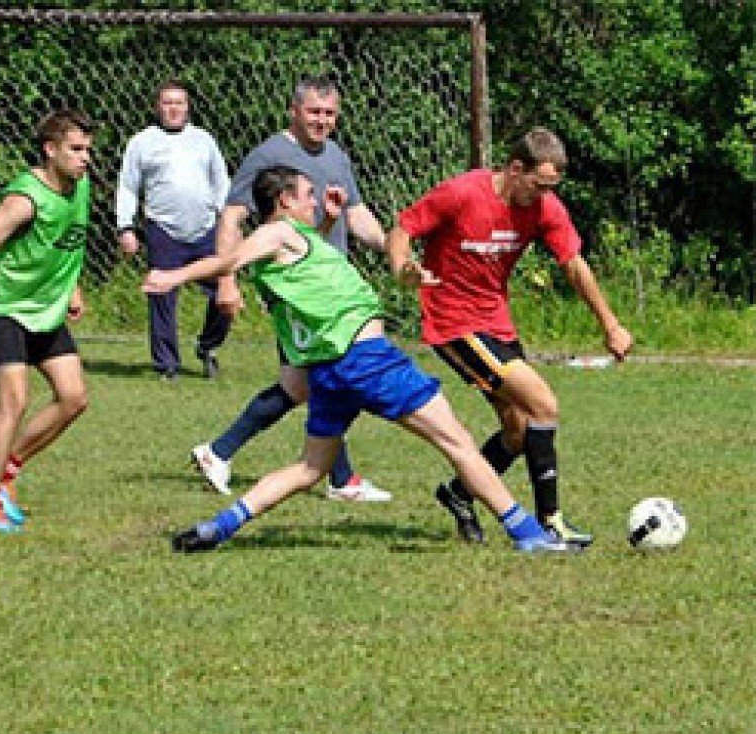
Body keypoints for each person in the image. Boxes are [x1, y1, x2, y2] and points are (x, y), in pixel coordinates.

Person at [143, 166, 574, 554]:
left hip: (331, 369)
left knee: (310, 468)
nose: (315, 201)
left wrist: (330, 221)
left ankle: (219, 526)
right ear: (284, 201)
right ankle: (529, 535)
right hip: (367, 360)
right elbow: (231, 259)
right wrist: (174, 276)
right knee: (457, 442)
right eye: (307, 195)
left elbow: (305, 267)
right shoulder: (274, 233)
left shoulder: (291, 240)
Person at [387, 127, 633, 547]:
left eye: (551, 187)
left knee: (518, 430)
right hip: (453, 324)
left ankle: (459, 493)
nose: (544, 196)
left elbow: (574, 264)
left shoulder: (544, 207)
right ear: (515, 169)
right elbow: (403, 228)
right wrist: (402, 267)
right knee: (543, 403)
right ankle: (550, 522)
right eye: (539, 185)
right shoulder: (462, 193)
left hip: (496, 323)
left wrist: (610, 325)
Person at [191, 75, 391, 501]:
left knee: (303, 385)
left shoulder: (336, 155)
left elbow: (356, 214)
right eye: (314, 112)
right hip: (296, 291)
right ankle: (341, 480)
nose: (322, 121)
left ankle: (220, 452)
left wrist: (392, 247)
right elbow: (232, 218)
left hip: (327, 291)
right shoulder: (269, 156)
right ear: (294, 111)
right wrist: (226, 282)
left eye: (330, 113)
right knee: (326, 379)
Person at [0, 109, 93, 532]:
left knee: (73, 398)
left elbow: (67, 240)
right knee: (14, 400)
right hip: (4, 309)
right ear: (50, 150)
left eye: (88, 150)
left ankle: (7, 469)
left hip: (45, 312)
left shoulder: (79, 186)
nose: (85, 158)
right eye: (76, 149)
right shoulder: (24, 200)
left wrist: (72, 287)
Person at [116, 79, 231, 380]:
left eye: (179, 102)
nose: (173, 108)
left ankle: (208, 346)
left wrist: (227, 221)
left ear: (188, 106)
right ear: (157, 107)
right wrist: (125, 227)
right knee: (161, 295)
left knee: (224, 292)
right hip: (164, 229)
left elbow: (221, 181)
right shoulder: (142, 142)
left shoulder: (203, 140)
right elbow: (128, 186)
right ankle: (167, 365)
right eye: (167, 102)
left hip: (206, 229)